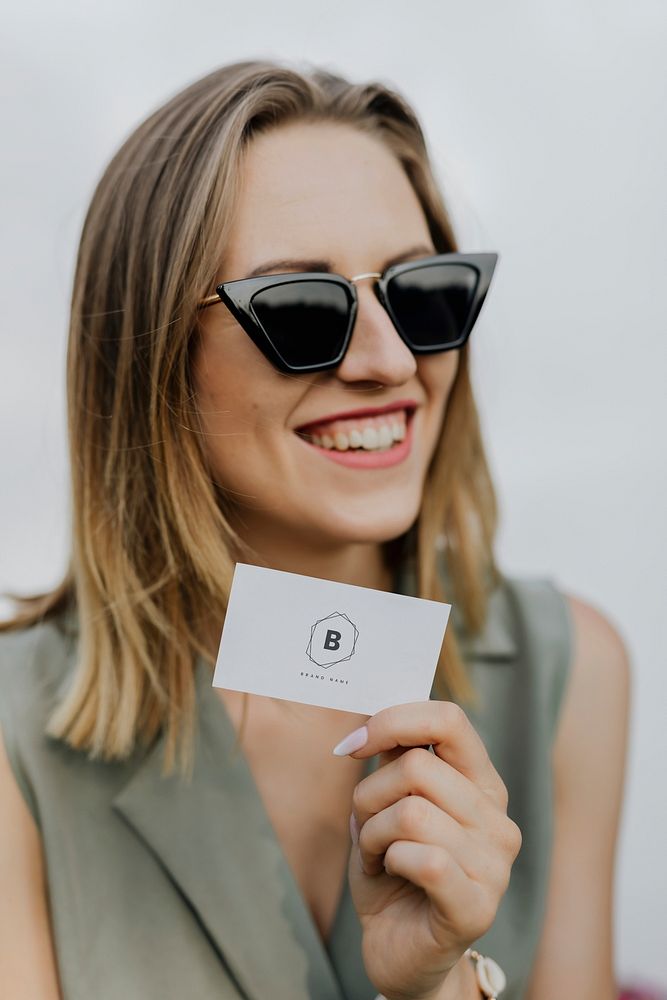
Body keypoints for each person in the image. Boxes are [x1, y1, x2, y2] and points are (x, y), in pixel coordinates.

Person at [0, 59, 630, 1000]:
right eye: (300, 308)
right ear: (152, 357)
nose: (389, 361)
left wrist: (434, 986)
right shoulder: (16, 735)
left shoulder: (570, 672)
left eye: (424, 295)